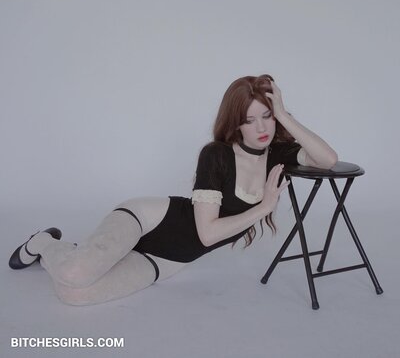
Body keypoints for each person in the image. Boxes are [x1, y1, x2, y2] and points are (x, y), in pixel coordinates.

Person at [8, 74, 338, 305]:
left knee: (74, 294)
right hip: (147, 221)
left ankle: (83, 253)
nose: (262, 127)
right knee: (75, 273)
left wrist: (283, 114)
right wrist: (264, 207)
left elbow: (328, 160)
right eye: (250, 120)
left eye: (267, 116)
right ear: (235, 122)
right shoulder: (217, 154)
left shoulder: (277, 154)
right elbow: (207, 234)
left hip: (168, 259)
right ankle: (45, 242)